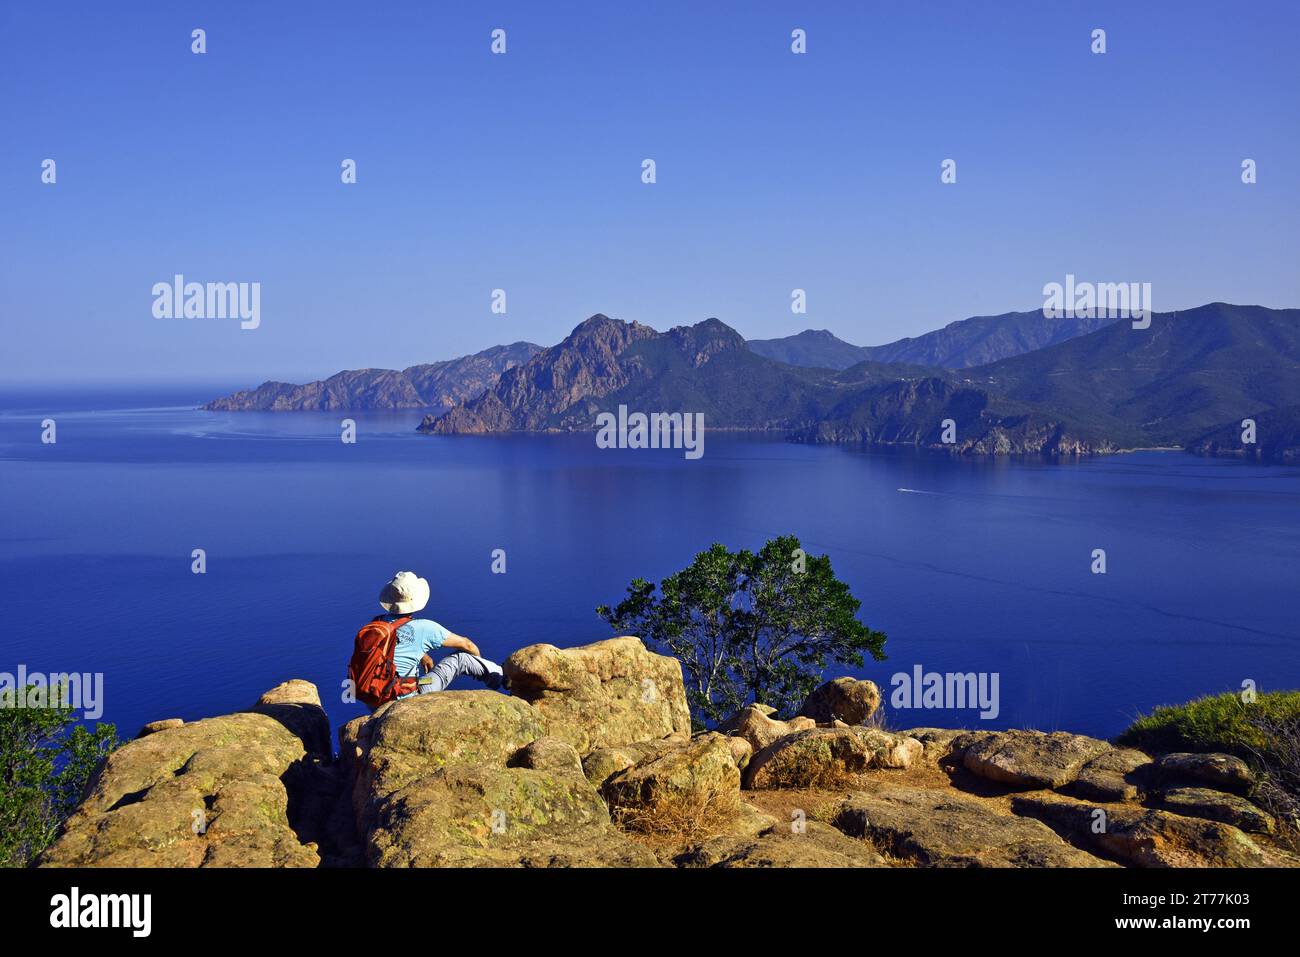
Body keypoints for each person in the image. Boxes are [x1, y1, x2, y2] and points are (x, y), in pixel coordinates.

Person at [374, 570, 506, 698]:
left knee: (420, 679)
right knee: (461, 659)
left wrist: (422, 655)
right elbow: (467, 645)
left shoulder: (377, 624)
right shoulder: (423, 627)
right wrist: (477, 662)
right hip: (404, 695)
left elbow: (395, 645)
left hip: (375, 694)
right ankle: (504, 679)